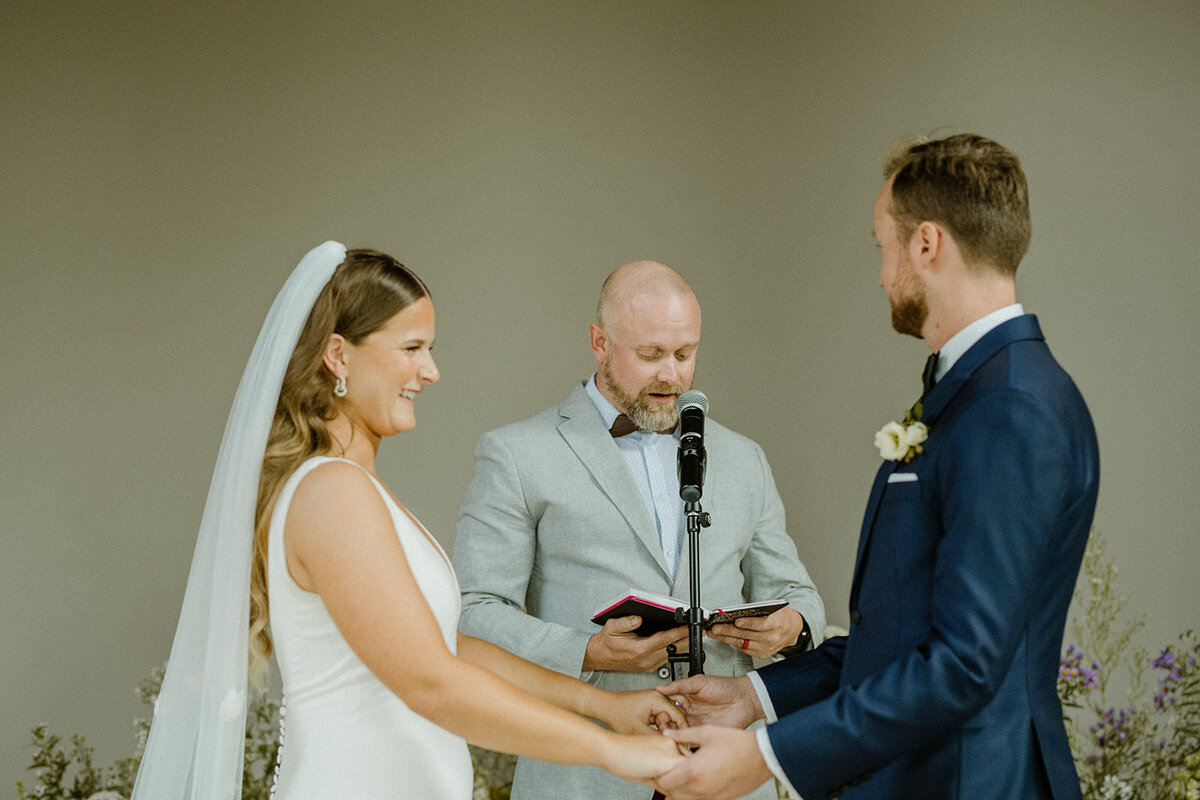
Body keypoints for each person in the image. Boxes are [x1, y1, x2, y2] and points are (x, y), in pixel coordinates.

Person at [130, 243, 685, 800]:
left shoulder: (357, 490)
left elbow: (447, 648)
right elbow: (430, 682)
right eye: (412, 348)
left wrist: (606, 706)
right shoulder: (331, 494)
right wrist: (613, 752)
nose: (432, 371)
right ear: (338, 356)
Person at [652, 134, 1100, 800]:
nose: (881, 274)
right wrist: (754, 695)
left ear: (926, 244)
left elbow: (963, 665)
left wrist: (766, 756)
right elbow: (897, 632)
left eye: (881, 247)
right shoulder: (978, 393)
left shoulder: (1010, 409)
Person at [452, 260, 826, 800]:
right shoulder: (516, 453)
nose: (671, 375)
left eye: (685, 353)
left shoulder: (744, 458)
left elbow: (798, 595)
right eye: (650, 355)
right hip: (585, 775)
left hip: (726, 776)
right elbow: (473, 610)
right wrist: (585, 651)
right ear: (599, 342)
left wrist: (791, 626)